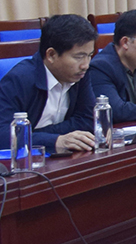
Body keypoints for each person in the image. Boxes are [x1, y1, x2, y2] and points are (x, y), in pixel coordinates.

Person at [0, 14, 99, 154]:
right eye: (79, 57)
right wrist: (54, 140)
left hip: (63, 157)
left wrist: (36, 134)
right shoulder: (18, 80)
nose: (86, 65)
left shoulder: (80, 74)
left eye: (89, 55)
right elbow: (4, 135)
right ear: (51, 55)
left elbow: (88, 120)